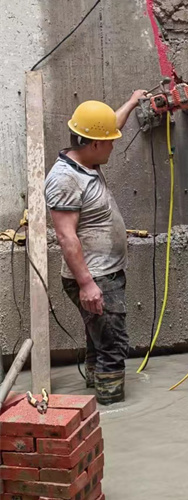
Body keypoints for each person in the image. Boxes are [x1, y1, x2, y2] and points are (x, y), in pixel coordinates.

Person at [44, 93, 147, 404]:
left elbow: (108, 125)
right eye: (110, 142)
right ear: (94, 144)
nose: (114, 145)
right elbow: (65, 237)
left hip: (104, 274)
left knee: (98, 339)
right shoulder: (64, 179)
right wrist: (87, 284)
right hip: (95, 277)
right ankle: (111, 408)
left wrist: (132, 101)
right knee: (113, 346)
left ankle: (92, 402)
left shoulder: (86, 156)